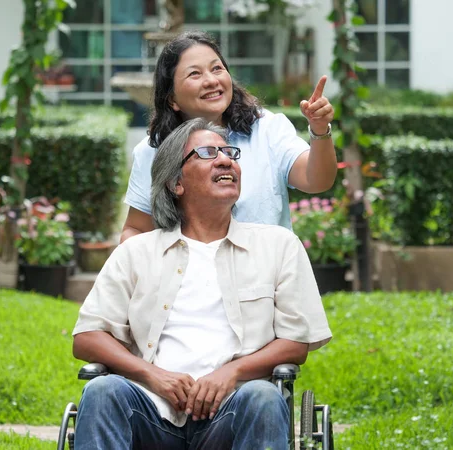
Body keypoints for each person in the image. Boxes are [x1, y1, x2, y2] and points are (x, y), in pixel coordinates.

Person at [72, 118, 332, 450]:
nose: (226, 160)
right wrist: (155, 377)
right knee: (102, 391)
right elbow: (87, 337)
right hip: (150, 413)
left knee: (265, 396)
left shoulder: (278, 246)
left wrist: (231, 374)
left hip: (235, 411)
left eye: (229, 153)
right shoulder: (137, 252)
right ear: (175, 183)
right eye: (208, 153)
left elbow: (295, 343)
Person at [121, 31, 336, 242]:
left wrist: (319, 129)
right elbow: (136, 230)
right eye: (194, 74)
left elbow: (316, 180)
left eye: (217, 68)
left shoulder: (267, 129)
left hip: (264, 273)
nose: (211, 81)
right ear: (171, 99)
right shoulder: (154, 150)